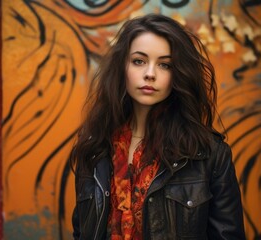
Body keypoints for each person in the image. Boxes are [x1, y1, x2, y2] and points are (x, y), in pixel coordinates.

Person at [71, 13, 245, 240]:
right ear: (122, 67)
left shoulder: (208, 154)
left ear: (178, 74)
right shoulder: (95, 148)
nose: (150, 74)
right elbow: (82, 232)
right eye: (139, 61)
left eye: (164, 65)